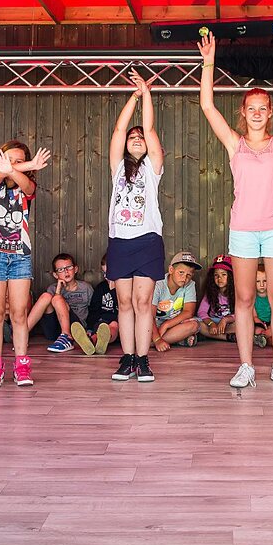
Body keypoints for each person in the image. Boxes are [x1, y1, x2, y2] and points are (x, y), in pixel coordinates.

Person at [199, 33, 273, 389]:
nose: (256, 113)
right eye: (250, 108)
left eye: (262, 109)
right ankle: (247, 366)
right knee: (245, 298)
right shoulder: (234, 144)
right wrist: (209, 62)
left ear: (270, 113)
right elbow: (207, 105)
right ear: (243, 113)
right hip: (243, 231)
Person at [106, 71, 165, 384]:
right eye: (133, 137)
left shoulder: (152, 169)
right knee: (125, 303)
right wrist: (133, 96)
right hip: (120, 243)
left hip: (147, 241)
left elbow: (151, 128)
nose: (137, 138)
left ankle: (143, 360)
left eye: (140, 137)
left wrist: (147, 95)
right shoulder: (117, 167)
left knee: (144, 303)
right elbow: (118, 128)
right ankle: (127, 358)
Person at [0, 139, 52, 388]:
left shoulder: (27, 186)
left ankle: (22, 365)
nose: (12, 166)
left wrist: (22, 168)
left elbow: (27, 186)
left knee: (19, 313)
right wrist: (23, 165)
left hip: (20, 255)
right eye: (8, 159)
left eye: (19, 161)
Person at [28, 252, 92, 352]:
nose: (66, 271)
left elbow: (93, 310)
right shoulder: (52, 288)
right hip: (54, 329)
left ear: (75, 269)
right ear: (55, 274)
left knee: (56, 299)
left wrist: (91, 330)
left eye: (69, 267)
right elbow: (50, 307)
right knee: (46, 296)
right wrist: (58, 290)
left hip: (77, 329)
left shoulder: (86, 288)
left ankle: (67, 337)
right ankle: (21, 334)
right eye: (61, 270)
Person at [151, 252, 201, 354]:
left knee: (194, 325)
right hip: (152, 325)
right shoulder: (158, 284)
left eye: (189, 275)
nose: (184, 278)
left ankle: (150, 343)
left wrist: (166, 325)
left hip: (172, 325)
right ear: (171, 270)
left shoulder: (190, 285)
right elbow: (149, 315)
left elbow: (188, 312)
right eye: (181, 272)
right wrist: (156, 339)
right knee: (138, 329)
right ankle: (173, 340)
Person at [75, 256, 118, 356]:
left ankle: (93, 341)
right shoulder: (101, 287)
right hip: (101, 322)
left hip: (120, 325)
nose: (106, 277)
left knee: (113, 325)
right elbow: (94, 310)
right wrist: (90, 328)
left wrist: (113, 290)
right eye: (104, 273)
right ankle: (93, 341)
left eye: (110, 273)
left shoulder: (127, 288)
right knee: (102, 326)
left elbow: (124, 307)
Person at [196, 255, 236, 342]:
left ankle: (211, 335)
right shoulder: (211, 292)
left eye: (224, 274)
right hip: (213, 321)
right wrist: (211, 324)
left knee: (243, 323)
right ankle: (228, 337)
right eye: (216, 275)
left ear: (231, 276)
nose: (219, 278)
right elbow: (201, 312)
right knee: (196, 323)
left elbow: (240, 313)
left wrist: (225, 320)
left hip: (229, 324)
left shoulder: (237, 293)